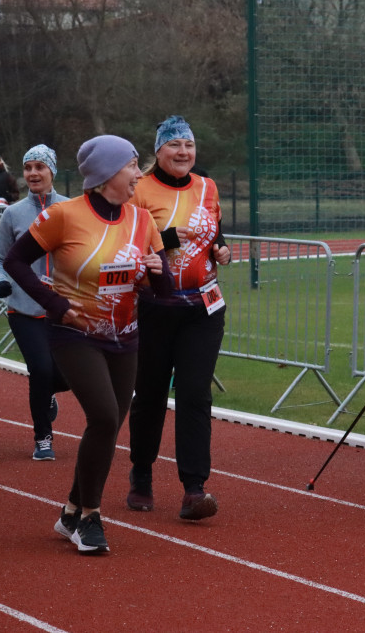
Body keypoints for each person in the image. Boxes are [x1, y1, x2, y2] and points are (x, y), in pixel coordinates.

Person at [4, 135, 172, 555]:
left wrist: (157, 270)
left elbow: (162, 290)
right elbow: (14, 262)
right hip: (74, 333)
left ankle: (71, 511)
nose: (139, 174)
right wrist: (56, 305)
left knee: (110, 424)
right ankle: (90, 519)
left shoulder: (142, 220)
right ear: (107, 173)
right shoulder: (64, 215)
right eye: (133, 166)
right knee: (103, 414)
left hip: (125, 337)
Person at [126, 115, 231, 521]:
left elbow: (214, 233)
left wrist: (222, 250)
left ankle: (194, 489)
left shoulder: (207, 187)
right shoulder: (140, 191)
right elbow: (130, 247)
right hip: (156, 308)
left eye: (188, 145)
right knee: (150, 395)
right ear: (158, 151)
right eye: (174, 146)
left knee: (194, 394)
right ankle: (141, 473)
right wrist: (168, 239)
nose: (183, 152)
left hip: (203, 309)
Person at [0, 144, 71, 461]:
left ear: (52, 171)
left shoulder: (71, 208)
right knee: (39, 368)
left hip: (63, 308)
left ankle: (47, 392)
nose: (33, 173)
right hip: (24, 308)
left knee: (67, 374)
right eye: (28, 168)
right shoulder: (13, 213)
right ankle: (43, 438)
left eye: (40, 167)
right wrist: (1, 283)